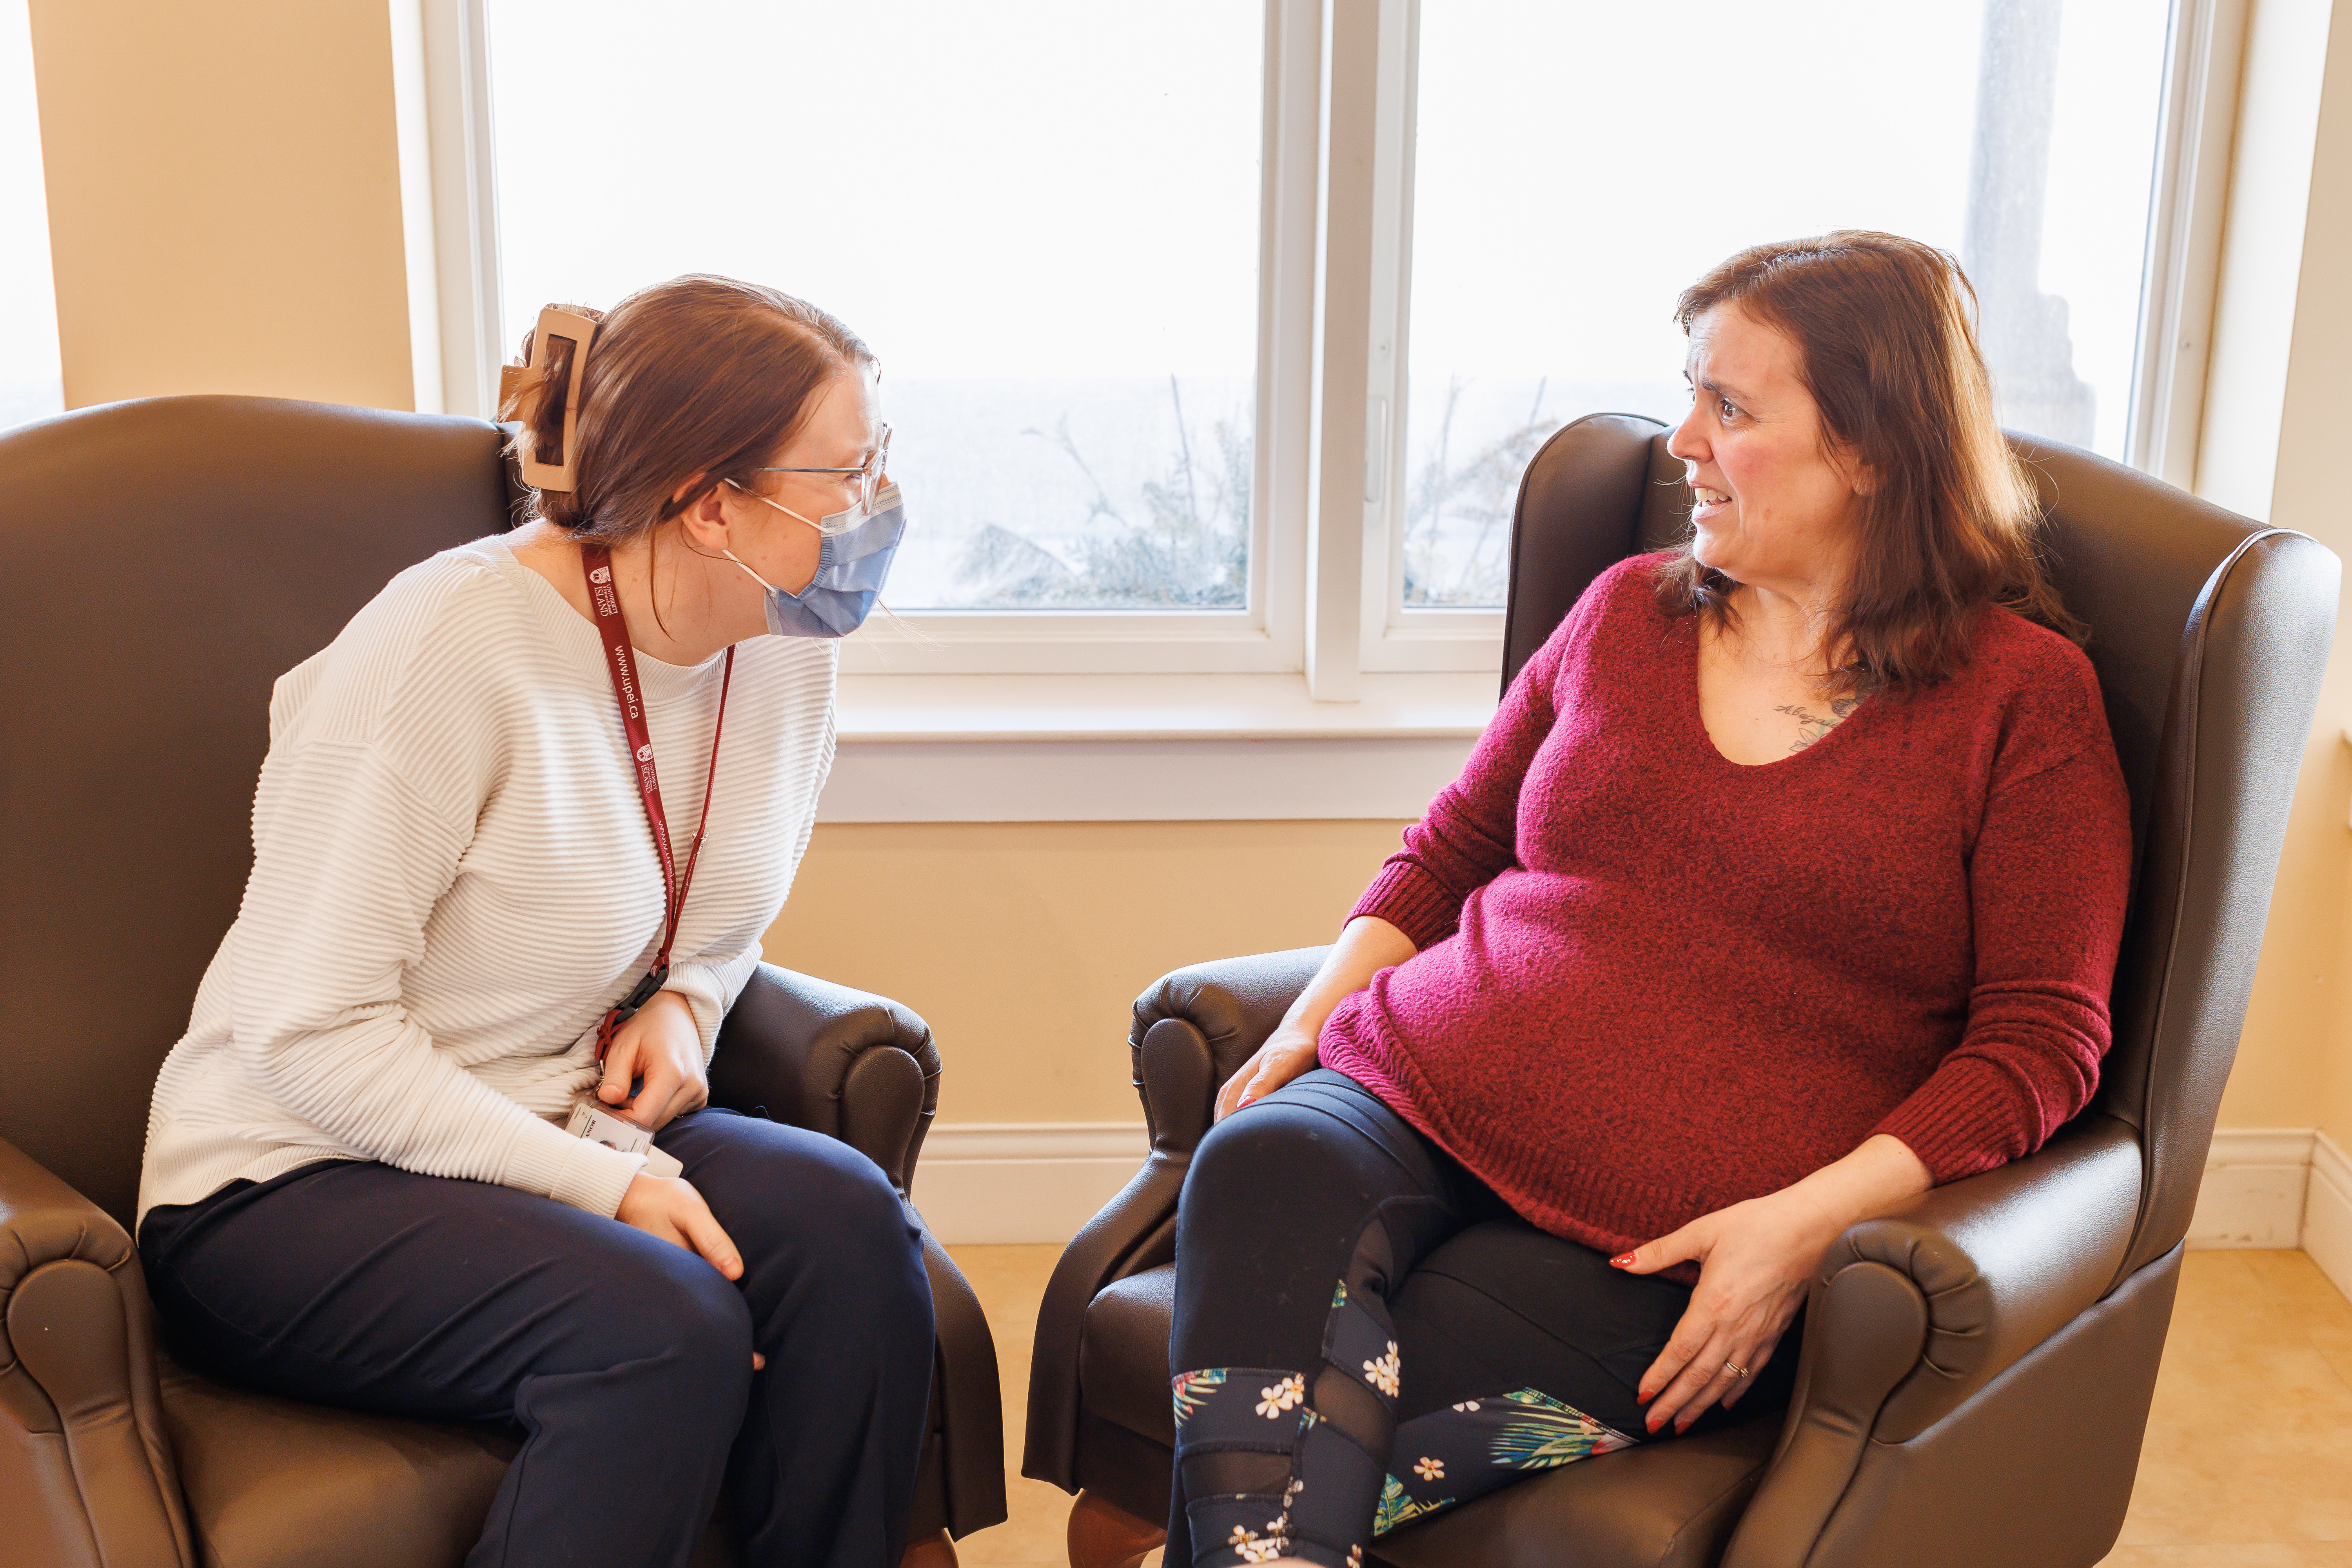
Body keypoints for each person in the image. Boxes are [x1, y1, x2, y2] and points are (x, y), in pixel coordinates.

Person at [1162, 232, 2134, 1567]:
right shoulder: (1626, 612)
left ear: (1874, 444)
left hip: (1670, 1242)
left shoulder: (2025, 704)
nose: (1682, 439)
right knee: (1263, 1162)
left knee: (1297, 1436)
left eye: (1731, 409)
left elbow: (2041, 1044)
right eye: (1689, 393)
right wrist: (1315, 1018)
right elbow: (1451, 847)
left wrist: (1805, 1229)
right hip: (1410, 1090)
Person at [135, 275, 933, 1568]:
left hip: (559, 1118)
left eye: (878, 460)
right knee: (662, 1324)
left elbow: (721, 908)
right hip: (289, 1179)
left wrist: (692, 1001)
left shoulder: (784, 643)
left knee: (850, 1232)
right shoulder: (449, 646)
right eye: (843, 476)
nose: (875, 510)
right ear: (712, 504)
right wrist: (604, 1185)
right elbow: (305, 1031)